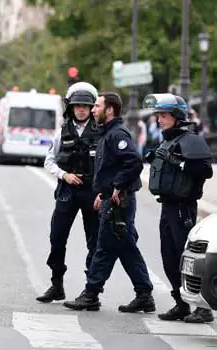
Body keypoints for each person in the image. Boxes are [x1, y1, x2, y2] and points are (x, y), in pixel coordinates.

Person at [63, 92, 155, 312]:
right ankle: (144, 294)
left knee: (104, 247)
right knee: (125, 247)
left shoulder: (117, 134)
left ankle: (91, 294)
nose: (93, 110)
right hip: (112, 199)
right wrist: (103, 193)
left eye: (97, 106)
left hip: (119, 202)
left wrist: (117, 186)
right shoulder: (107, 133)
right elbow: (111, 169)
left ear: (110, 109)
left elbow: (133, 163)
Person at [144, 93, 214, 323]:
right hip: (167, 206)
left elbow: (206, 171)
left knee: (188, 259)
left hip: (183, 207)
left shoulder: (191, 140)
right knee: (168, 257)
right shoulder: (167, 140)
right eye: (158, 115)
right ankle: (181, 303)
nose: (159, 120)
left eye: (164, 115)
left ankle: (202, 308)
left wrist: (178, 162)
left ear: (176, 116)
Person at [37, 82, 102, 303]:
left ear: (92, 107)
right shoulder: (62, 131)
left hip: (92, 193)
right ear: (71, 108)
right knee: (57, 238)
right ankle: (56, 285)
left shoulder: (101, 132)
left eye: (85, 106)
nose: (81, 110)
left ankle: (91, 291)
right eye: (77, 106)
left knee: (93, 241)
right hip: (67, 191)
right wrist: (64, 175)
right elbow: (49, 160)